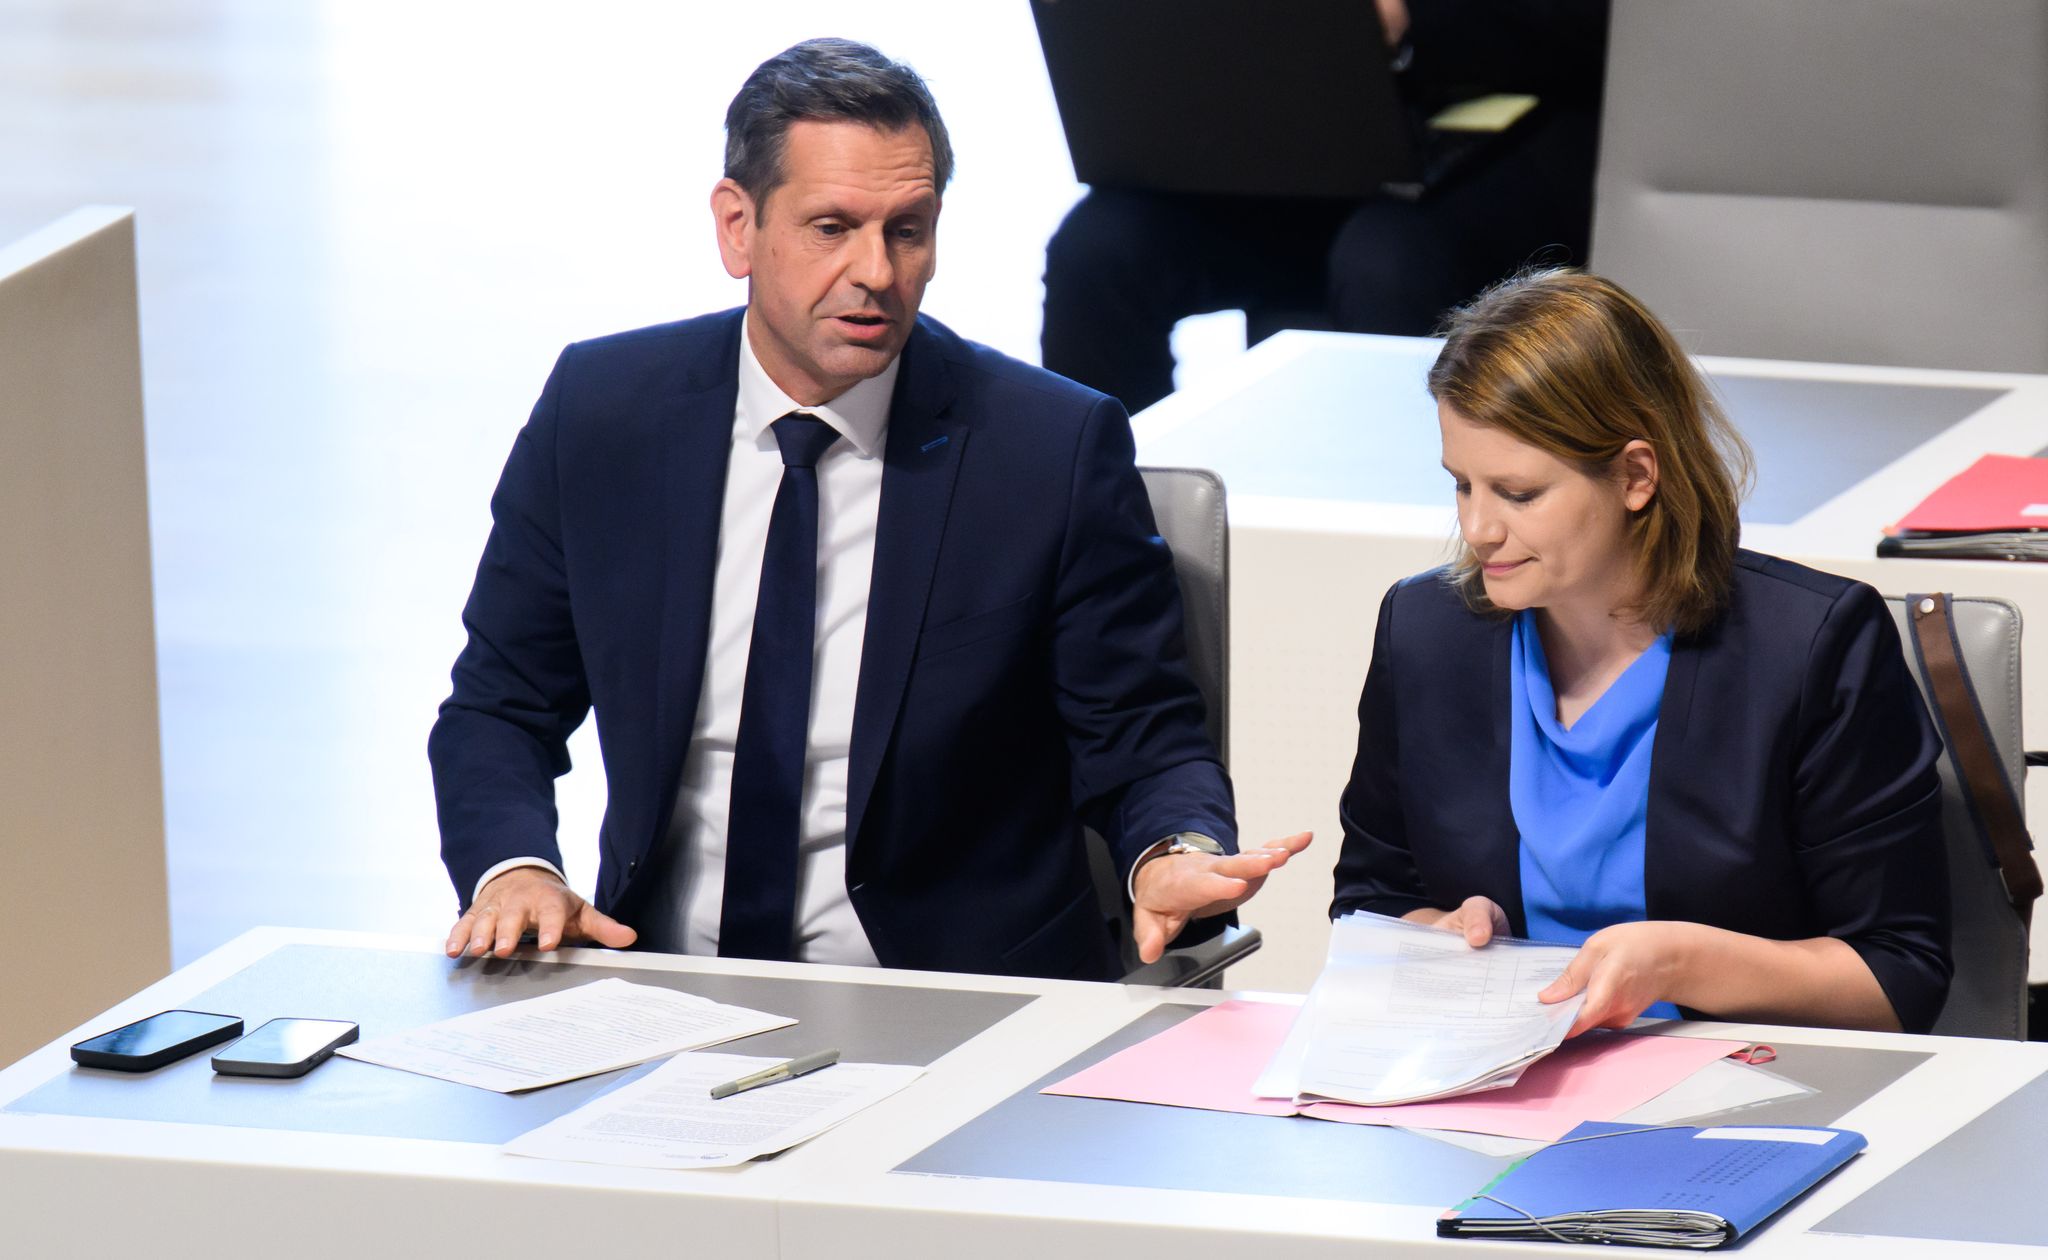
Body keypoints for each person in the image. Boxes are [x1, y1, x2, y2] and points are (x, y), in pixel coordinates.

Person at [429, 39, 1310, 979]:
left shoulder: (1047, 448)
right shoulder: (603, 413)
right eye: (831, 227)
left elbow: (1141, 737)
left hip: (958, 998)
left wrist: (1171, 850)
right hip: (667, 982)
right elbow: (499, 705)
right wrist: (514, 869)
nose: (876, 272)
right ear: (737, 227)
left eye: (907, 231)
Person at [1331, 269, 1952, 1034]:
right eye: (1462, 485)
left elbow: (1899, 976)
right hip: (1499, 1075)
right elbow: (1372, 901)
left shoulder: (1814, 647)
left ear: (1635, 476)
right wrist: (1439, 936)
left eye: (1518, 493)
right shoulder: (1425, 630)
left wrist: (1682, 964)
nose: (1479, 528)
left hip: (1743, 1076)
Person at [1041, 0, 1610, 414]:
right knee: (1097, 250)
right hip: (1278, 121)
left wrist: (1412, 14)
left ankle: (1404, 529)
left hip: (1513, 124)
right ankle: (1108, 517)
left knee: (1384, 263)